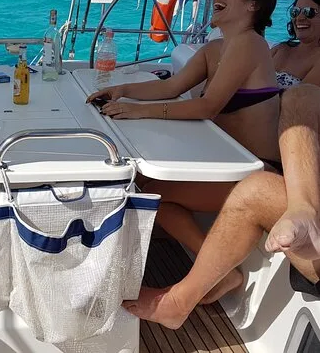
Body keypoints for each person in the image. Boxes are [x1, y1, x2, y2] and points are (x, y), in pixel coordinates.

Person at [86, 0, 281, 299]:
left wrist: (137, 111)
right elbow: (171, 87)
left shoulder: (250, 43)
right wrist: (121, 91)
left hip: (258, 172)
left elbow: (208, 107)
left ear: (253, 5)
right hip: (224, 162)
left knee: (150, 194)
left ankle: (220, 274)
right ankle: (204, 262)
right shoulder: (214, 48)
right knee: (144, 185)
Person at [123, 83, 320, 329]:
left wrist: (135, 108)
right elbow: (176, 85)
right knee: (303, 95)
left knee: (254, 190)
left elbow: (206, 105)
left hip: (253, 164)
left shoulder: (245, 56)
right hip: (270, 173)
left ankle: (178, 303)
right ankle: (304, 208)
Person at [271, 0, 320, 88]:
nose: (299, 18)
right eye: (295, 11)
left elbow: (302, 96)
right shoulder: (280, 49)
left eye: (309, 12)